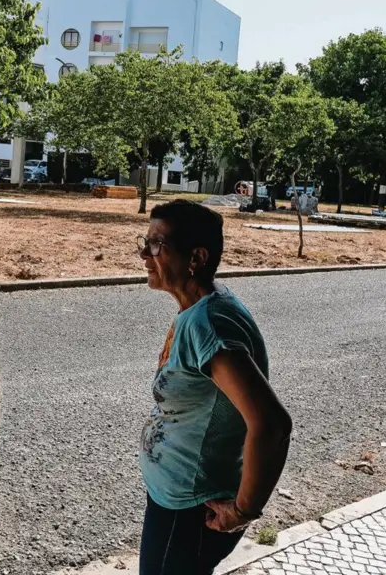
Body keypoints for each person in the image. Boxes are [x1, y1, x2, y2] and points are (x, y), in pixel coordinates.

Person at [136, 200, 291, 575]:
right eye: (144, 242)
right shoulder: (202, 307)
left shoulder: (209, 325)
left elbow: (271, 424)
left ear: (197, 257)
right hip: (179, 499)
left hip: (191, 511)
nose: (144, 254)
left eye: (157, 245)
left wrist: (243, 510)